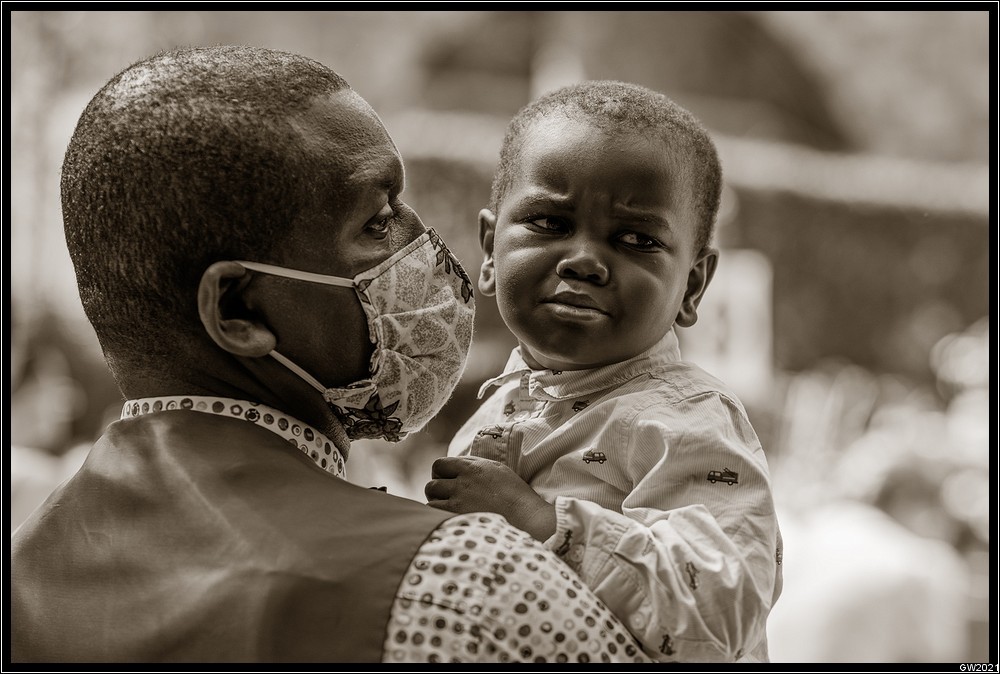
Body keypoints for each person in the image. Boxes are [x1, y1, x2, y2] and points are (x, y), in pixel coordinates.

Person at [10, 47, 654, 664]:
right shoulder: (469, 585)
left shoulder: (23, 569)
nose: (425, 248)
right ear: (237, 310)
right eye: (378, 222)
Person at [424, 81, 783, 662]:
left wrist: (542, 523)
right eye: (549, 222)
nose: (585, 260)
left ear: (692, 286)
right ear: (489, 250)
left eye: (636, 239)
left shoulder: (686, 424)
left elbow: (720, 614)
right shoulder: (498, 406)